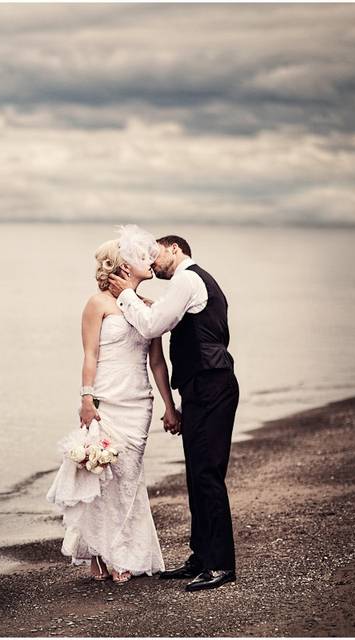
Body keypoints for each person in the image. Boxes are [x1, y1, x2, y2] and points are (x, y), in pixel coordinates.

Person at [46, 225, 179, 583]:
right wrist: (86, 397)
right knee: (103, 479)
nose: (148, 261)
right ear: (122, 266)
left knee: (130, 479)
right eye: (138, 257)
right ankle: (104, 554)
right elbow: (89, 354)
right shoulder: (97, 304)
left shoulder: (148, 309)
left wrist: (169, 406)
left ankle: (124, 552)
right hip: (107, 400)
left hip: (139, 403)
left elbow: (157, 363)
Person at [107, 234, 239, 592]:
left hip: (212, 385)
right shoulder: (187, 284)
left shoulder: (187, 278)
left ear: (175, 250)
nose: (151, 259)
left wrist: (125, 295)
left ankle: (221, 565)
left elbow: (151, 326)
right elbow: (164, 318)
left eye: (156, 252)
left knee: (208, 475)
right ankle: (200, 557)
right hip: (201, 388)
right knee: (197, 476)